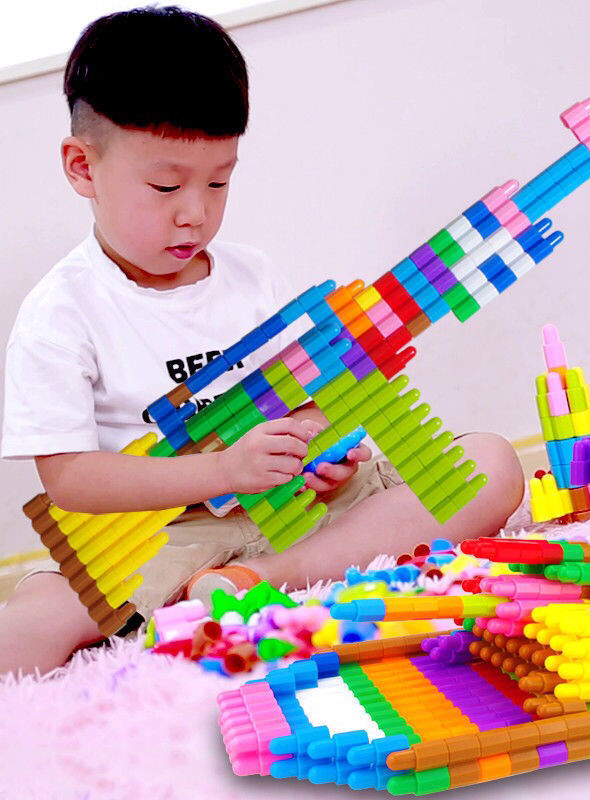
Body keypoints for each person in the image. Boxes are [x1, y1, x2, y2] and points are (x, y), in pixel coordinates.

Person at [0, 7, 524, 676]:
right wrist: (223, 472)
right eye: (166, 185)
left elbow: (306, 405)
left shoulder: (252, 277)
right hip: (165, 534)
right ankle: (209, 589)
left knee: (490, 464)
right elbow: (71, 480)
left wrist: (321, 453)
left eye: (219, 181)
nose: (195, 212)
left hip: (292, 514)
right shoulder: (60, 312)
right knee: (33, 624)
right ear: (82, 167)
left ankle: (256, 582)